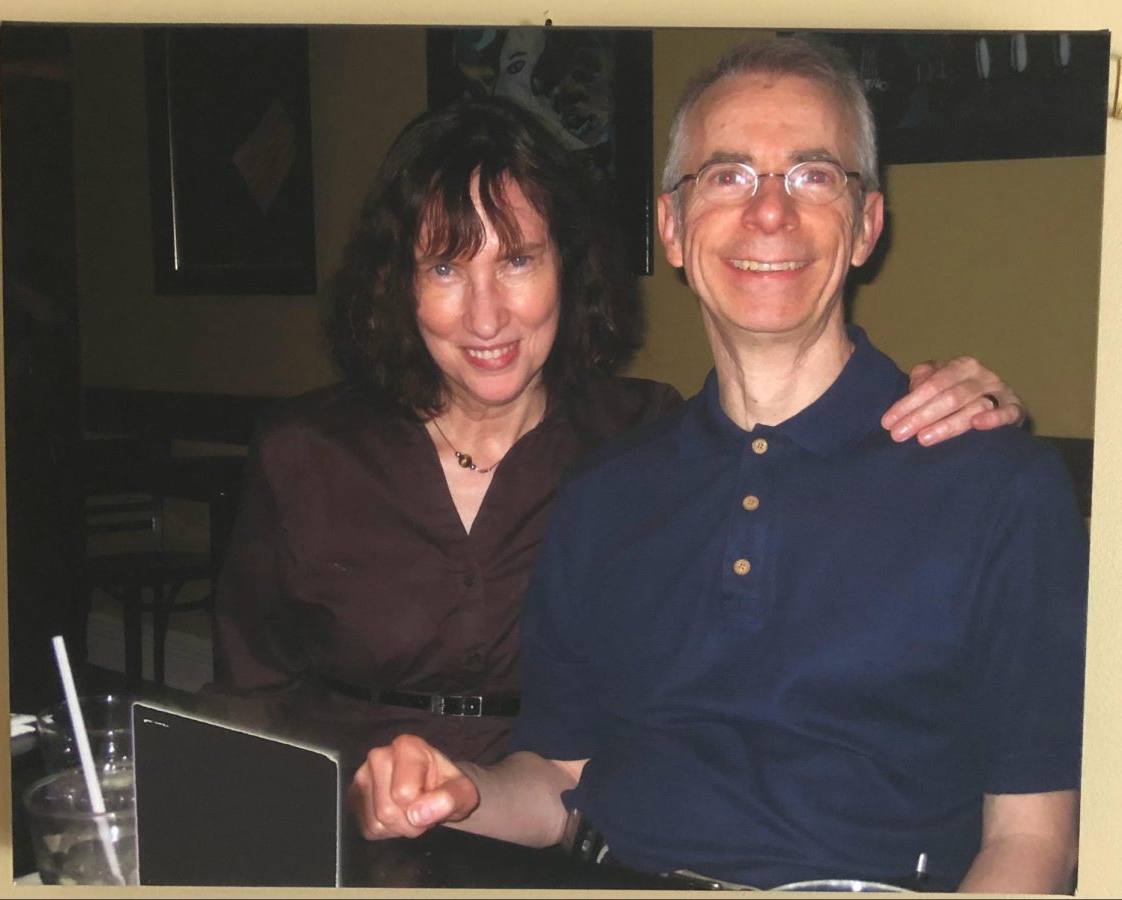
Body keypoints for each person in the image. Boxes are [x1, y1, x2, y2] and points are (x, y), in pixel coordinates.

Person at [348, 39, 1087, 895]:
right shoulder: (603, 494)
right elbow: (558, 781)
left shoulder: (998, 488)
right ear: (669, 226)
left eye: (813, 175)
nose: (769, 212)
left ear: (868, 226)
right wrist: (461, 791)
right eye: (728, 175)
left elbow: (1033, 845)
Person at [210, 96, 1024, 773]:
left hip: (559, 833)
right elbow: (247, 697)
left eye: (519, 261)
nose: (486, 315)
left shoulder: (643, 437)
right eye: (447, 269)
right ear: (399, 285)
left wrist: (974, 408)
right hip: (348, 823)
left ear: (570, 267)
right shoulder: (303, 454)